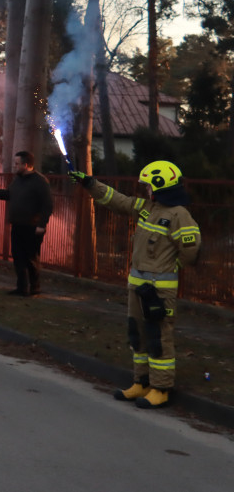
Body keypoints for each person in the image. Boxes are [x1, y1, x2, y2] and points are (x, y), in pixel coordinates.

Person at [69, 161, 201, 409]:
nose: (145, 191)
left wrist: (170, 267)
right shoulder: (147, 208)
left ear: (160, 186)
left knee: (159, 337)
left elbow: (190, 251)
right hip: (137, 288)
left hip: (159, 291)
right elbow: (116, 200)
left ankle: (161, 388)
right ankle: (141, 382)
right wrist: (89, 183)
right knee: (138, 335)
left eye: (148, 186)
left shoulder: (179, 215)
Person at [0, 150, 54, 297]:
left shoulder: (40, 181)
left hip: (32, 227)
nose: (15, 166)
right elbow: (8, 194)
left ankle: (35, 288)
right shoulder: (17, 180)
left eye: (17, 164)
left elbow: (48, 205)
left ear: (26, 165)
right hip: (18, 225)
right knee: (18, 257)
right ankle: (22, 288)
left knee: (31, 258)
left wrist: (42, 224)